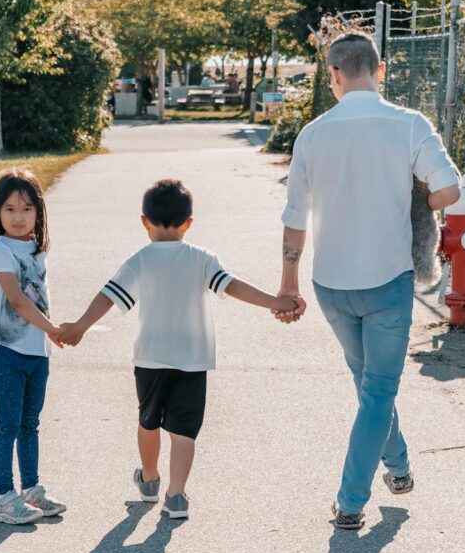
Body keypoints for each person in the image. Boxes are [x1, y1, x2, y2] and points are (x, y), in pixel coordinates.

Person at [276, 31, 461, 529]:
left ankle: (397, 468)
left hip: (331, 284)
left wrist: (288, 281)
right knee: (376, 390)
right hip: (387, 282)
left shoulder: (312, 134)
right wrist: (419, 200)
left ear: (333, 75)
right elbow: (449, 189)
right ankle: (353, 501)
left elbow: (295, 216)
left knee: (369, 386)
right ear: (380, 72)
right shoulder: (409, 125)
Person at [60, 180, 300, 519]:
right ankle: (176, 495)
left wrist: (80, 326)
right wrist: (276, 302)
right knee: (184, 430)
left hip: (151, 357)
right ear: (188, 223)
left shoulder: (140, 260)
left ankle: (149, 479)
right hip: (193, 357)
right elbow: (233, 287)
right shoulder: (202, 258)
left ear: (145, 222)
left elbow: (108, 295)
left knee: (149, 421)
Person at [0, 170, 68, 525]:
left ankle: (31, 489)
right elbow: (17, 300)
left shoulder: (38, 250)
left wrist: (47, 335)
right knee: (8, 424)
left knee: (30, 424)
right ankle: (3, 497)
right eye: (9, 209)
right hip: (9, 352)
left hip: (38, 353)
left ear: (39, 213)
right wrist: (52, 329)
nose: (18, 217)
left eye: (27, 209)